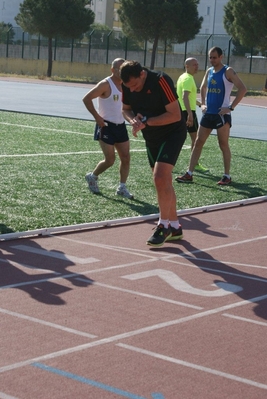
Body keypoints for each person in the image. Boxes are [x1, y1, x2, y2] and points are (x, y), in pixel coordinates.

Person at [120, 60, 187, 247]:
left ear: (142, 74)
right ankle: (175, 226)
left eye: (134, 85)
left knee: (160, 177)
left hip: (172, 132)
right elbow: (125, 109)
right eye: (128, 87)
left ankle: (163, 225)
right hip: (151, 136)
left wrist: (146, 121)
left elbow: (175, 115)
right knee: (162, 181)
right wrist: (133, 120)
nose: (132, 90)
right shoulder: (127, 85)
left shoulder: (160, 80)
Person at [176, 46, 247, 185]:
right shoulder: (209, 71)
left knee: (223, 144)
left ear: (221, 57)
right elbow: (203, 87)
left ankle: (227, 176)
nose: (212, 60)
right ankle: (189, 173)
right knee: (198, 142)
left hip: (221, 115)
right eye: (210, 57)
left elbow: (243, 89)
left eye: (215, 57)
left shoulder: (228, 71)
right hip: (208, 114)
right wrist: (203, 104)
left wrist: (231, 107)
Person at [82, 58, 133, 199]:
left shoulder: (127, 85)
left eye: (124, 68)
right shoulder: (105, 84)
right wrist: (97, 117)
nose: (121, 71)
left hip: (121, 126)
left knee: (126, 157)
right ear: (112, 70)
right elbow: (86, 98)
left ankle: (122, 187)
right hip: (106, 126)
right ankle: (92, 176)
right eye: (118, 68)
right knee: (110, 160)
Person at [176, 57, 208, 173]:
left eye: (197, 64)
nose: (197, 67)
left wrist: (200, 104)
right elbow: (185, 97)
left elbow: (189, 98)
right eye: (194, 64)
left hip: (182, 111)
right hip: (187, 112)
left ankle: (166, 161)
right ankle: (195, 164)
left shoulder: (182, 77)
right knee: (196, 139)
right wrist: (190, 114)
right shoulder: (188, 79)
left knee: (177, 138)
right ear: (187, 66)